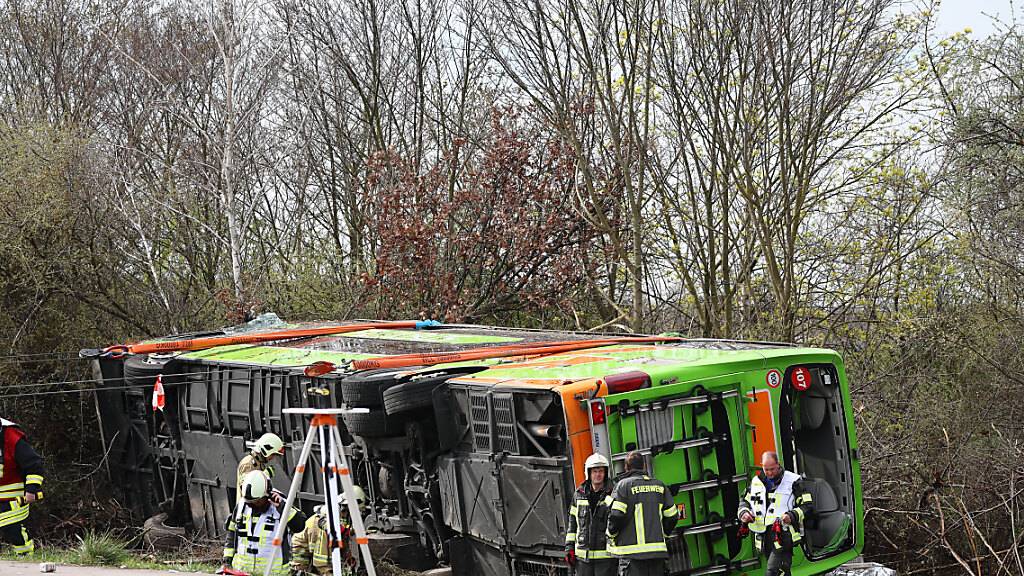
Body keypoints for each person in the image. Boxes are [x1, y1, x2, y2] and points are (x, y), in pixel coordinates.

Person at [737, 451, 814, 576]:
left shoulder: (793, 481)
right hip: (764, 536)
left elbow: (808, 506)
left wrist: (792, 515)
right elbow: (744, 501)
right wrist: (744, 513)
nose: (769, 473)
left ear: (778, 464)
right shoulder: (756, 482)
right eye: (766, 469)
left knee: (772, 571)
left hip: (784, 534)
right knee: (781, 572)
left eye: (772, 469)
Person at [606, 451, 678, 576]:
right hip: (657, 555)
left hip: (632, 557)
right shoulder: (660, 486)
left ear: (626, 467)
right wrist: (663, 534)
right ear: (644, 466)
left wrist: (611, 534)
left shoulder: (623, 486)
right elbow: (672, 516)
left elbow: (616, 516)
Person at [222, 470, 306, 576]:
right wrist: (227, 559)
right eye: (250, 503)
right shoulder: (242, 506)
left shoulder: (281, 505)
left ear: (267, 494)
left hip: (274, 572)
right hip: (242, 571)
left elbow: (300, 525)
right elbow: (232, 532)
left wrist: (283, 508)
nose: (254, 505)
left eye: (258, 502)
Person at [291, 486, 368, 576]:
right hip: (302, 547)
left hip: (316, 544)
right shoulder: (328, 522)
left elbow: (345, 534)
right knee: (301, 573)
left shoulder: (343, 515)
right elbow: (321, 562)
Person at [565, 454, 615, 576]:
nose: (598, 475)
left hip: (606, 558)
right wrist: (569, 548)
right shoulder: (579, 494)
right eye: (595, 471)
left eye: (601, 471)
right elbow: (572, 526)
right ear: (589, 473)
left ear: (606, 473)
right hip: (583, 560)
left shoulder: (614, 493)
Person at [0, 417, 44, 555]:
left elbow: (33, 465)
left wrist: (31, 489)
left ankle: (26, 560)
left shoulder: (10, 435)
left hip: (12, 499)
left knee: (14, 530)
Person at [236, 432, 286, 503]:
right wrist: (265, 475)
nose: (272, 458)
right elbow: (247, 489)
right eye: (272, 454)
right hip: (248, 509)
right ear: (266, 450)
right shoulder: (248, 464)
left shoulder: (259, 462)